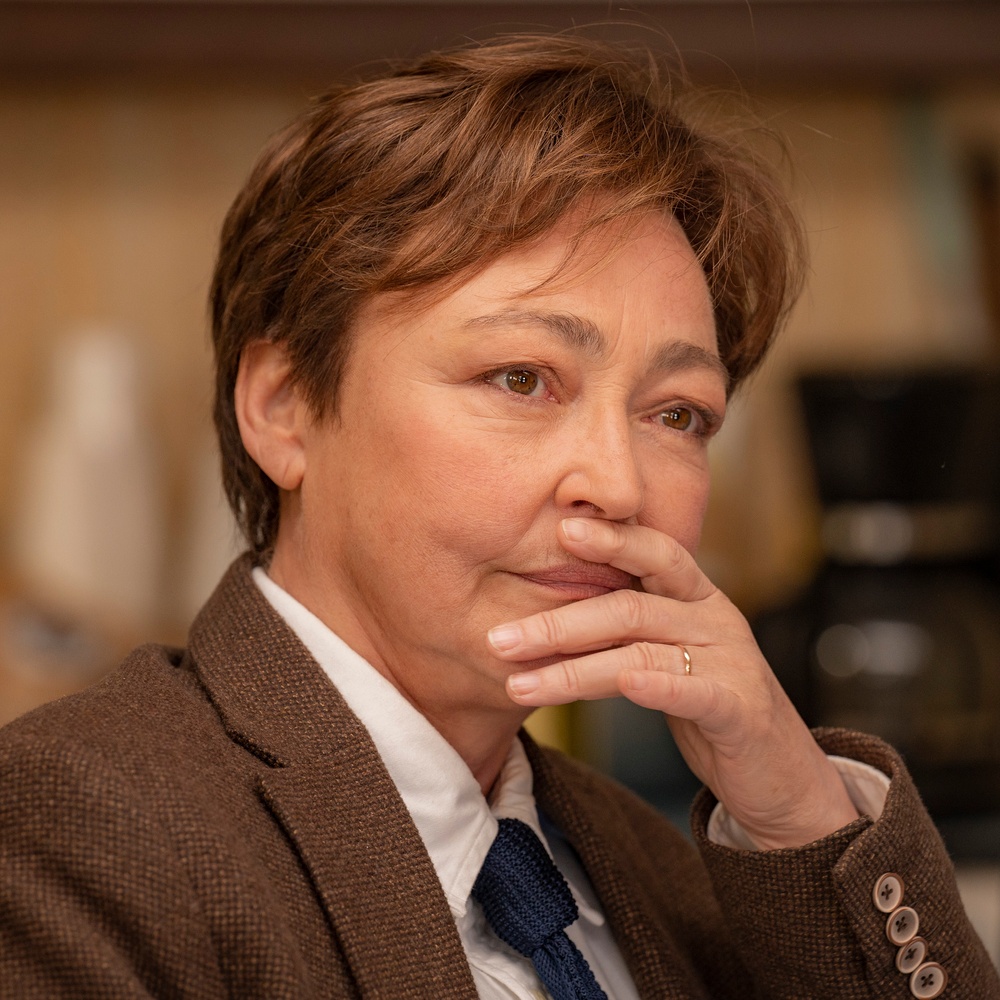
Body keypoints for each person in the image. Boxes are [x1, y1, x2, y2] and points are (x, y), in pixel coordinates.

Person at [0, 32, 996, 1000]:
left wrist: (801, 816)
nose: (618, 485)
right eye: (521, 377)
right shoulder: (72, 826)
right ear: (283, 404)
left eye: (677, 414)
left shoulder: (669, 866)